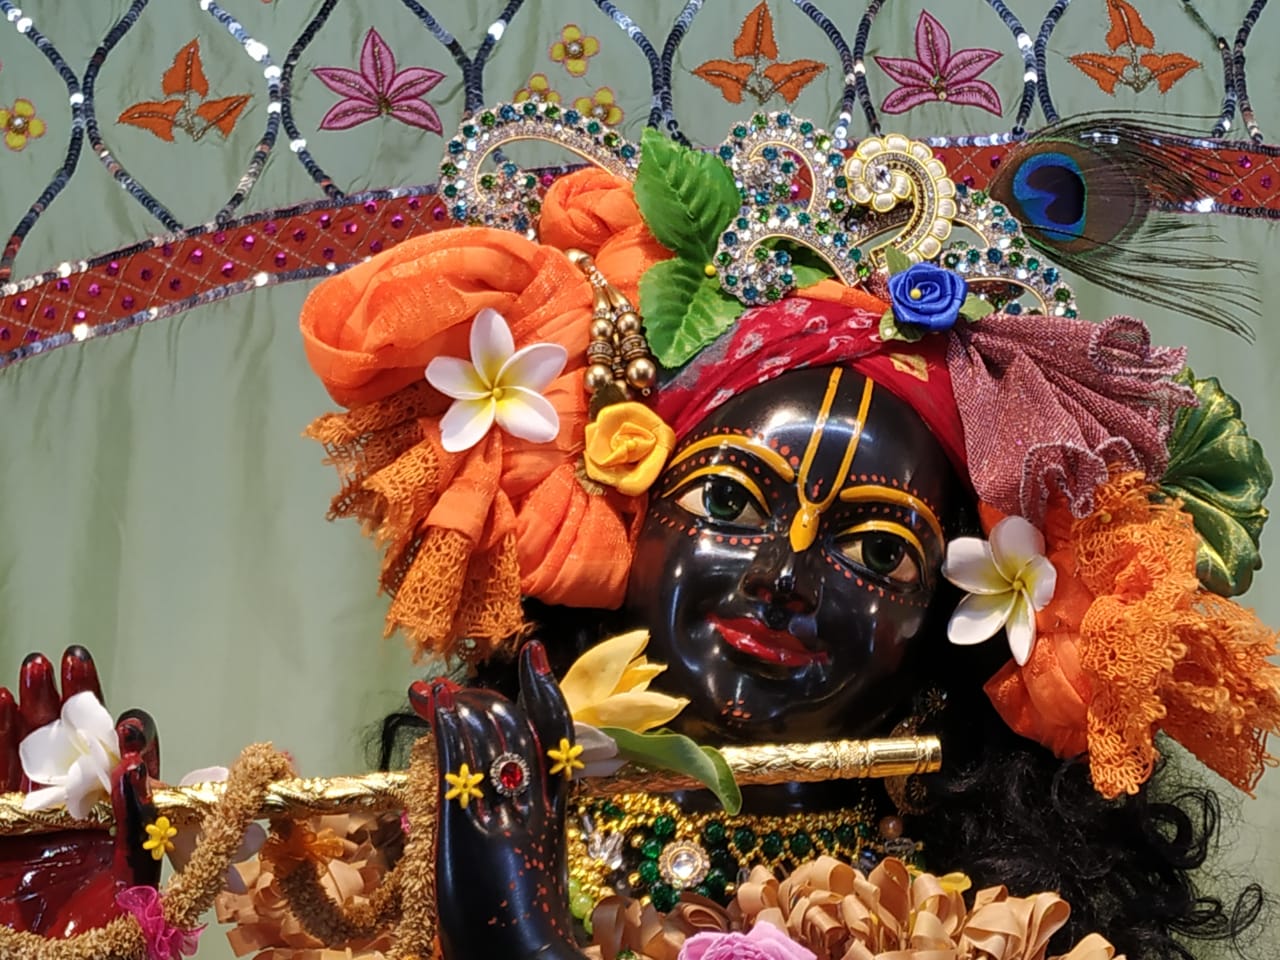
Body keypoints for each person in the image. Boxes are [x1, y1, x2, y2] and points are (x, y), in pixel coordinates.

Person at [294, 112, 1280, 960]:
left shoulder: (997, 925)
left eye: (877, 551)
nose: (783, 575)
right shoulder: (404, 871)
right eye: (729, 503)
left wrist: (520, 935)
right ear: (624, 522)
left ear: (945, 627)